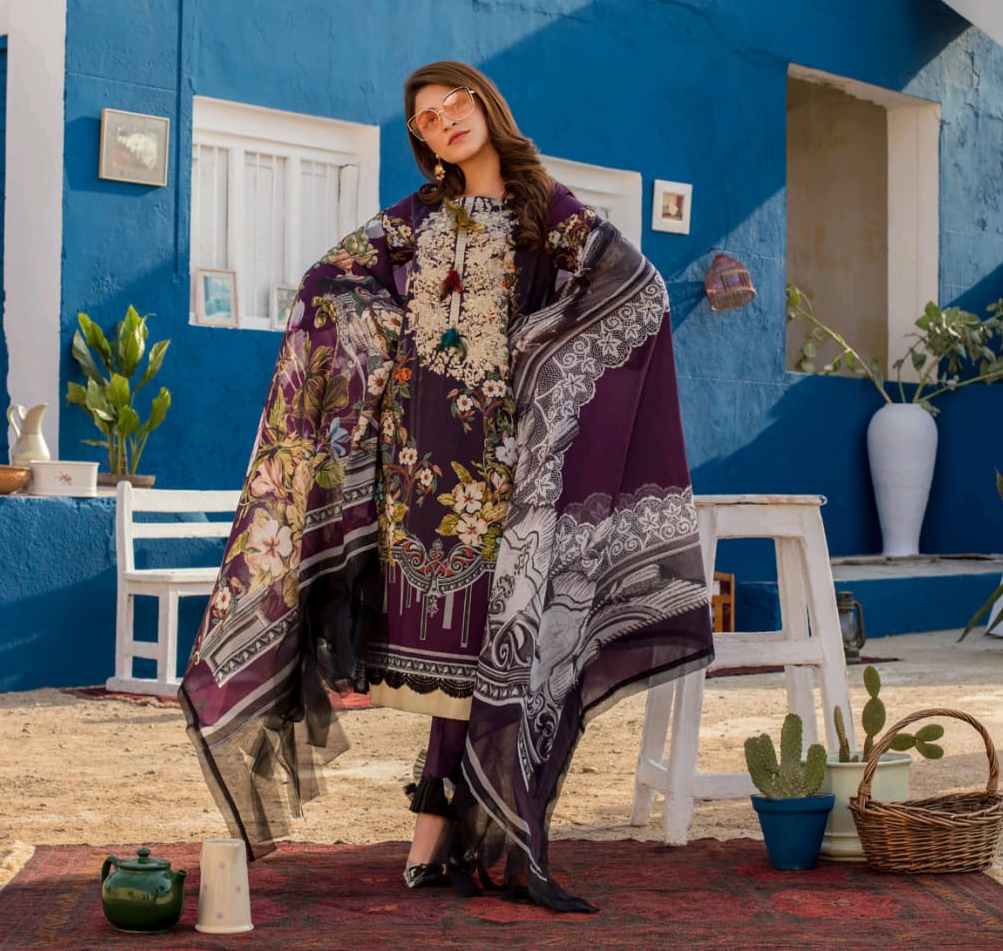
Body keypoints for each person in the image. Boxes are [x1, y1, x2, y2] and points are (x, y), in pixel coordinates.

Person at [179, 60, 715, 912]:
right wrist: (392, 347)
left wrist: (538, 354)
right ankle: (442, 829)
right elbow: (325, 285)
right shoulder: (413, 220)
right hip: (421, 470)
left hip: (507, 468)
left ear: (484, 102)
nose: (444, 121)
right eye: (426, 120)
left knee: (485, 647)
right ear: (423, 142)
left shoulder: (549, 212)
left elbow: (638, 287)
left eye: (452, 103)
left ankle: (436, 830)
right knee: (458, 653)